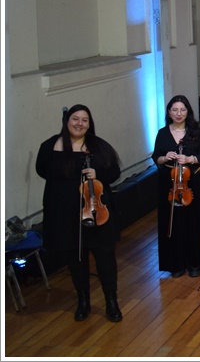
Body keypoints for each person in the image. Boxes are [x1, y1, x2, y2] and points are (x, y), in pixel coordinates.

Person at [35, 104, 123, 322]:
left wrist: (97, 173)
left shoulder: (98, 146)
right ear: (67, 121)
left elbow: (114, 173)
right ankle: (83, 300)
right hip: (66, 215)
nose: (79, 124)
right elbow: (42, 170)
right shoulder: (50, 146)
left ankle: (111, 301)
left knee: (105, 259)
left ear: (89, 124)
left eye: (84, 120)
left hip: (96, 212)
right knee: (76, 259)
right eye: (75, 119)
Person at [152, 95, 200, 278]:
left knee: (192, 222)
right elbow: (156, 158)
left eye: (182, 110)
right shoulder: (162, 133)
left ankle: (194, 263)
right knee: (171, 222)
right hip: (168, 183)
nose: (178, 113)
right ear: (169, 112)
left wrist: (190, 159)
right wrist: (165, 157)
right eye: (175, 110)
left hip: (190, 183)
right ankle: (175, 264)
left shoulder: (195, 133)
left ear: (187, 112)